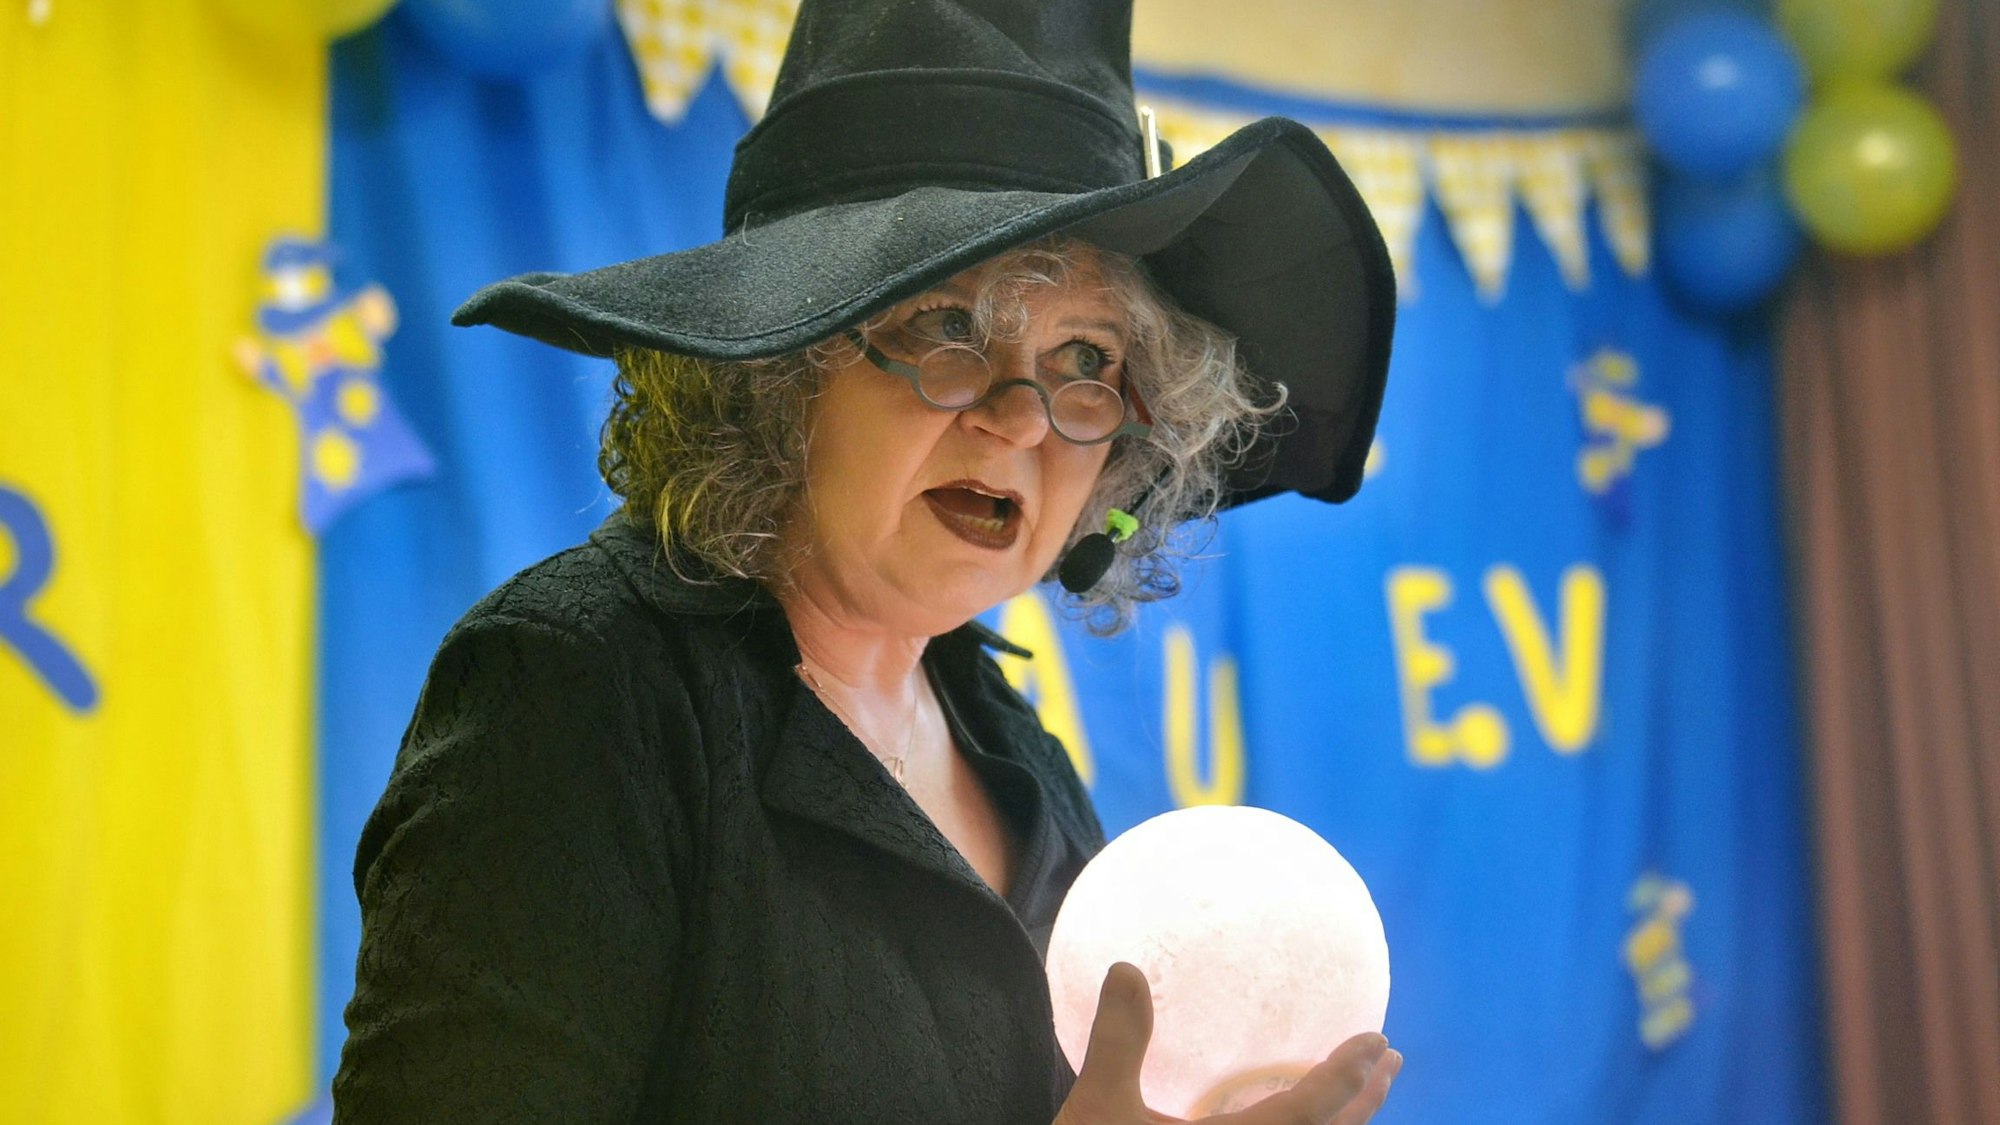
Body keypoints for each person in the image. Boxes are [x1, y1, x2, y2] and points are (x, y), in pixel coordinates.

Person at [332, 0, 1398, 1121]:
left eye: (1083, 356)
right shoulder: (572, 687)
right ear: (776, 375)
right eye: (946, 329)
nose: (1020, 420)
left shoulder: (1007, 749)